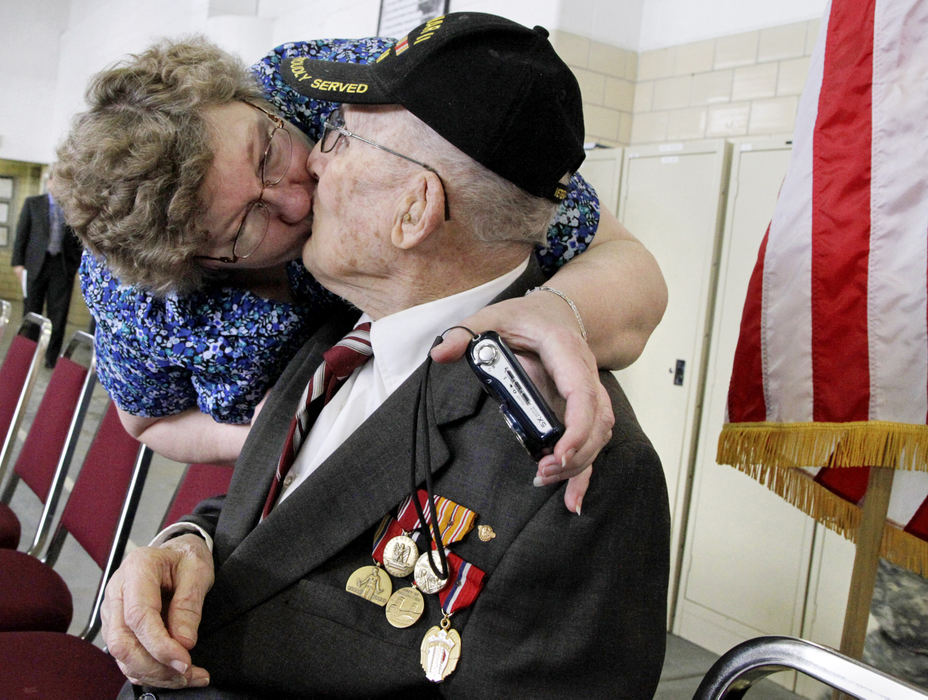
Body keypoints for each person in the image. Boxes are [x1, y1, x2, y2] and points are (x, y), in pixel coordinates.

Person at [103, 13, 670, 697]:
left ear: (414, 210)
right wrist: (185, 544)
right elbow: (287, 521)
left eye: (339, 139)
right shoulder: (333, 345)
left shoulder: (576, 475)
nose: (311, 161)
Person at [54, 36, 667, 510]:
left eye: (268, 152)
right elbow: (147, 419)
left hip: (472, 448)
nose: (296, 199)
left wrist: (560, 310)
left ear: (249, 97)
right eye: (245, 227)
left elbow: (628, 265)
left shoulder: (339, 90)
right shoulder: (138, 295)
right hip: (309, 482)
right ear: (193, 263)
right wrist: (281, 437)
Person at [10, 168, 83, 367]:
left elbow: (79, 242)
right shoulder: (33, 204)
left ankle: (50, 359)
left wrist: (75, 266)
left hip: (61, 268)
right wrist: (18, 264)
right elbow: (21, 235)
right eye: (56, 181)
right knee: (31, 313)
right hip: (34, 266)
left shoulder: (72, 209)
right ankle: (26, 355)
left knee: (58, 316)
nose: (59, 186)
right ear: (49, 182)